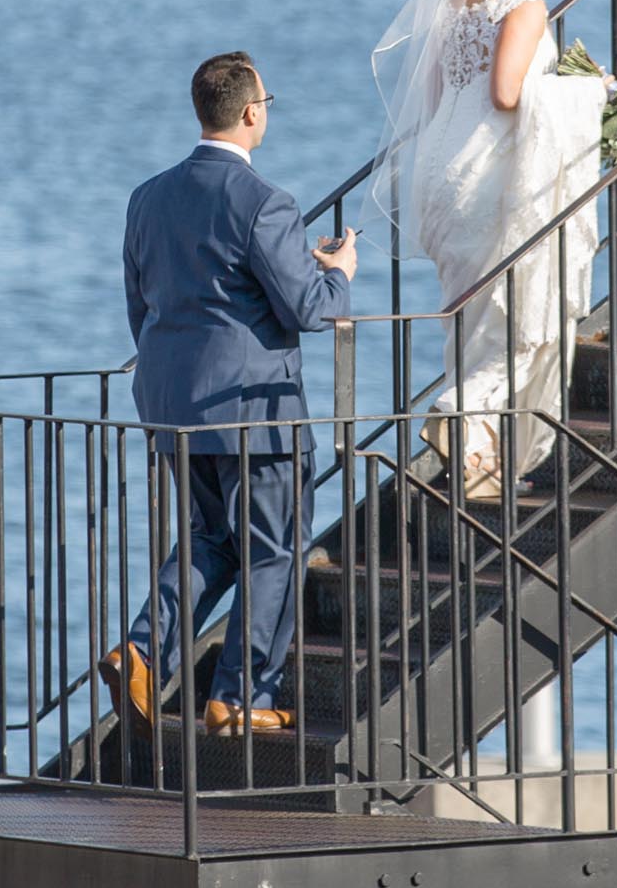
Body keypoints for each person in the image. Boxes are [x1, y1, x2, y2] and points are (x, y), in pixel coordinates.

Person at [97, 51, 356, 740]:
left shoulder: (147, 196)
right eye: (266, 103)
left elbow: (140, 305)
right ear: (249, 113)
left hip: (171, 403)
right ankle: (239, 697)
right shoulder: (265, 201)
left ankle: (143, 651)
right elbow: (307, 308)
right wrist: (337, 272)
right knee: (274, 548)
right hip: (253, 409)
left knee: (211, 538)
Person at [370, 0, 609, 499]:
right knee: (523, 315)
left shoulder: (452, 4)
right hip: (490, 180)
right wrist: (592, 92)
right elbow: (506, 94)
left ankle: (479, 463)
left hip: (440, 175)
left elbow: (435, 95)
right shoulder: (525, 9)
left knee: (472, 317)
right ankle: (457, 410)